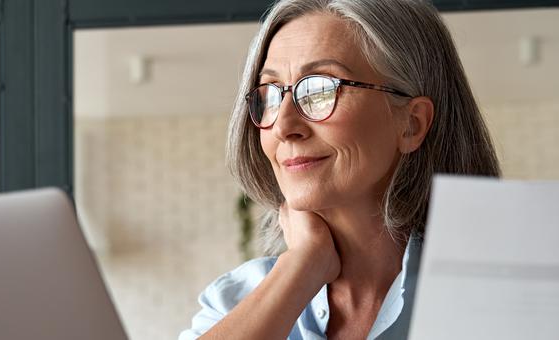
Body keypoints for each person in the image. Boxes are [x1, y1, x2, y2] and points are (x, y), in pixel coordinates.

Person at [180, 0, 499, 338]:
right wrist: (303, 265)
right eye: (270, 93)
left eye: (321, 89)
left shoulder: (497, 292)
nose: (284, 126)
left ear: (411, 124)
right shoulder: (233, 301)